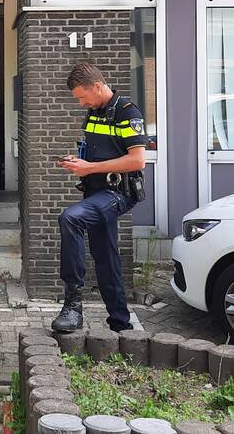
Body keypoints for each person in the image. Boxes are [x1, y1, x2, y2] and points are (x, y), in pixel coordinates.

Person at [52, 62, 148, 333]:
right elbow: (97, 153)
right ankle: (121, 324)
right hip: (94, 192)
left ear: (97, 86)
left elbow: (137, 161)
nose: (81, 103)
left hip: (117, 193)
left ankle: (73, 306)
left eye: (82, 97)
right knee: (105, 256)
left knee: (70, 218)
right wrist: (78, 161)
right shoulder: (94, 112)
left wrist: (90, 168)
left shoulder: (127, 112)